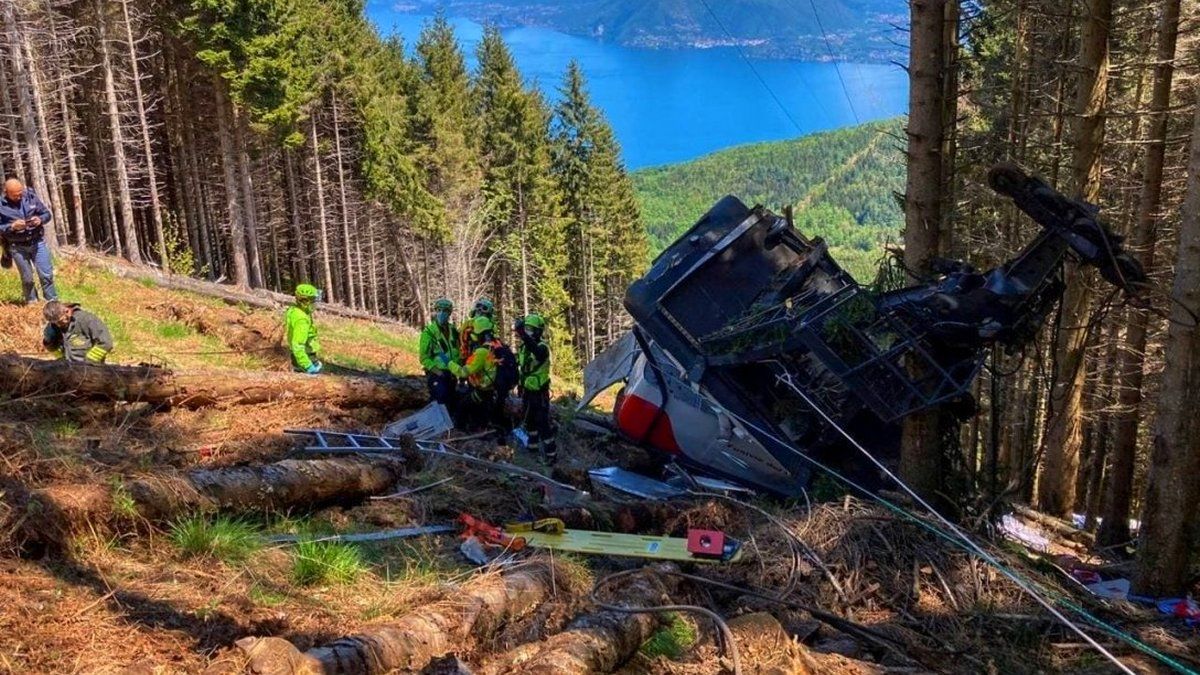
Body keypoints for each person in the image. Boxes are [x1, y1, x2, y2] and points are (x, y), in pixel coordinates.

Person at [0, 176, 57, 304]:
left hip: (37, 242)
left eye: (21, 193)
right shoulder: (1, 206)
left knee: (46, 275)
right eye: (15, 195)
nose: (19, 197)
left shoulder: (31, 197)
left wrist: (40, 220)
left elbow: (47, 214)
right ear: (6, 193)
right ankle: (32, 304)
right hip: (17, 246)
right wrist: (12, 227)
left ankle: (52, 303)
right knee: (27, 279)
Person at [463, 315, 516, 440]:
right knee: (495, 412)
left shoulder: (483, 350)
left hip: (487, 388)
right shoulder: (498, 345)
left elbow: (468, 370)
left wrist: (450, 364)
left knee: (467, 406)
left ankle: (482, 432)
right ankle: (497, 432)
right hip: (499, 389)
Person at [514, 313, 556, 463]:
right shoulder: (524, 348)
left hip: (539, 393)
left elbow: (537, 353)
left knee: (542, 423)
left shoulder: (542, 348)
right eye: (526, 328)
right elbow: (521, 366)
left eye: (531, 329)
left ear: (538, 331)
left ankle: (551, 455)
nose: (528, 331)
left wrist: (522, 334)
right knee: (529, 421)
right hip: (527, 390)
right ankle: (532, 448)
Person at [419, 298, 464, 410]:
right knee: (440, 400)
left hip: (452, 373)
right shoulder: (429, 332)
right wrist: (438, 372)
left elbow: (457, 351)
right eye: (439, 310)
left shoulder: (453, 330)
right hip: (437, 374)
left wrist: (460, 370)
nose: (442, 313)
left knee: (451, 403)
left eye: (445, 310)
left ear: (449, 313)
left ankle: (451, 426)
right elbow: (424, 358)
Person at [42, 301, 113, 364]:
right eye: (55, 323)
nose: (58, 325)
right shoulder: (54, 326)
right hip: (68, 368)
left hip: (89, 369)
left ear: (67, 311)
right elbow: (54, 349)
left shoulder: (87, 320)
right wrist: (49, 343)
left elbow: (106, 343)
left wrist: (89, 362)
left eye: (60, 322)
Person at [286, 284, 323, 373]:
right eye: (313, 301)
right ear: (305, 302)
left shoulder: (296, 310)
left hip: (303, 356)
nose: (315, 305)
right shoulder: (301, 320)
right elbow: (298, 345)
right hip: (305, 357)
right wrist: (308, 366)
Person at [458, 296, 495, 362]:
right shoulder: (467, 324)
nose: (480, 310)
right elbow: (460, 337)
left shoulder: (490, 325)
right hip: (468, 355)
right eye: (478, 307)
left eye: (484, 308)